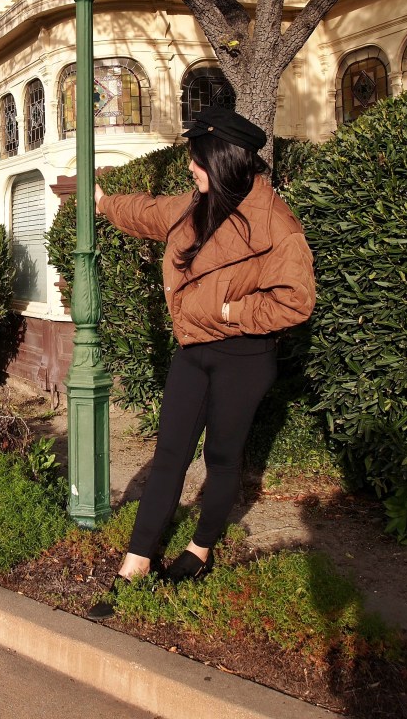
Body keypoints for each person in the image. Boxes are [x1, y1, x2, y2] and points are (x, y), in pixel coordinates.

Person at [88, 106, 315, 617]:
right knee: (170, 453)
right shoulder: (198, 205)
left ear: (224, 161)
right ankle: (136, 561)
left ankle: (200, 550)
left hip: (244, 356)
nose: (190, 167)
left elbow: (296, 301)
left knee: (221, 458)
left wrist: (233, 310)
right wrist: (103, 202)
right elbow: (150, 213)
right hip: (193, 349)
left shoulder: (277, 225)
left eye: (197, 160)